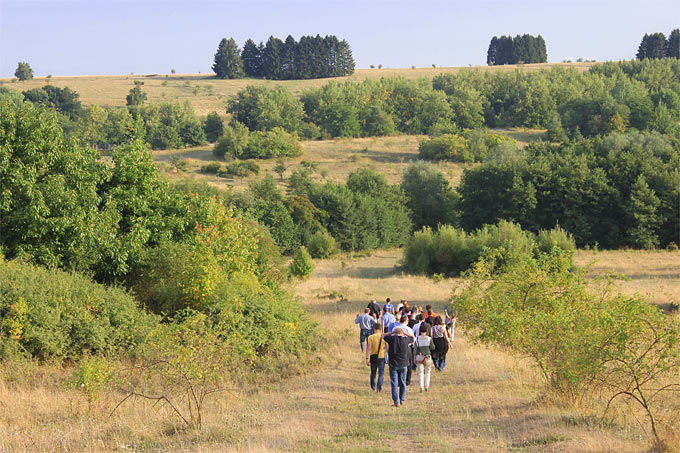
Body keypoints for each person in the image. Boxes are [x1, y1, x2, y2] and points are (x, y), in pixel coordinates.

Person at [383, 327, 413, 407]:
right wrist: (405, 333)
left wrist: (391, 333)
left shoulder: (391, 339)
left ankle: (396, 402)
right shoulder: (406, 340)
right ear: (402, 333)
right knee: (403, 382)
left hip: (393, 364)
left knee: (394, 383)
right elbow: (413, 338)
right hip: (403, 364)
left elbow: (382, 336)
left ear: (394, 333)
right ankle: (402, 399)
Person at [413, 323, 435, 392]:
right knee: (428, 371)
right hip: (427, 357)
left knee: (420, 372)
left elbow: (415, 350)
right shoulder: (429, 339)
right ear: (426, 330)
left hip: (419, 357)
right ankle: (427, 386)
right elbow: (433, 347)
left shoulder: (417, 339)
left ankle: (421, 387)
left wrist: (414, 357)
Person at [365, 323, 387, 392]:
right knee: (381, 373)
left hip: (373, 356)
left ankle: (373, 386)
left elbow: (369, 348)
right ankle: (379, 387)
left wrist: (367, 358)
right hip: (381, 356)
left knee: (373, 372)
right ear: (380, 329)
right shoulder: (383, 336)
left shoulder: (370, 337)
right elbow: (388, 346)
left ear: (374, 329)